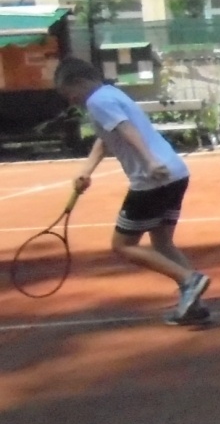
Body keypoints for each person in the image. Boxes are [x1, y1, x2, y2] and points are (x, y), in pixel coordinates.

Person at [53, 56, 210, 325]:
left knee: (123, 245)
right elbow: (108, 138)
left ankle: (189, 279)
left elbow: (126, 130)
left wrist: (149, 160)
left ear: (78, 82)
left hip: (152, 179)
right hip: (174, 173)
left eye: (69, 93)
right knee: (161, 243)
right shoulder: (110, 94)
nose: (71, 100)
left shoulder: (97, 101)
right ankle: (193, 302)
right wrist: (87, 170)